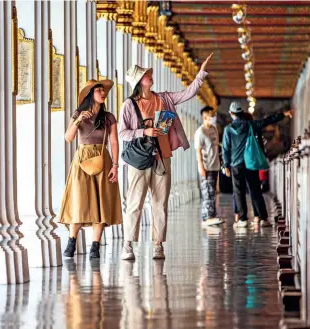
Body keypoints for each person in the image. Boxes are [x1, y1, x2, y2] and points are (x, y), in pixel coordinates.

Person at [118, 53, 213, 260]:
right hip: (139, 159)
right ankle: (127, 245)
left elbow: (188, 94)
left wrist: (200, 74)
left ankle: (158, 244)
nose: (150, 76)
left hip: (162, 156)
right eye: (146, 75)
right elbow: (122, 133)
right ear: (138, 82)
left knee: (160, 202)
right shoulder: (129, 105)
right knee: (135, 202)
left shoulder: (164, 98)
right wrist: (143, 132)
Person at [59, 79, 123, 259]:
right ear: (90, 94)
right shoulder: (78, 113)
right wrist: (79, 120)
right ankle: (72, 240)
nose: (103, 93)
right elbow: (68, 137)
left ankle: (95, 245)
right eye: (99, 91)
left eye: (103, 91)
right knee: (80, 200)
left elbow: (114, 141)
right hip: (82, 159)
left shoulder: (109, 116)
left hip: (103, 159)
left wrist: (116, 166)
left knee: (101, 202)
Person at [222, 102, 293, 227]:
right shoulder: (251, 125)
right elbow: (266, 121)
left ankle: (243, 219)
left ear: (231, 114)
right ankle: (263, 218)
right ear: (242, 113)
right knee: (255, 190)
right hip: (250, 163)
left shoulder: (228, 130)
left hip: (236, 164)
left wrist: (226, 165)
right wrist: (284, 114)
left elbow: (225, 149)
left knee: (239, 191)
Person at [194, 106, 224, 226]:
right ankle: (207, 217)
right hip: (206, 166)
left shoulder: (214, 129)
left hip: (215, 165)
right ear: (205, 117)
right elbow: (198, 151)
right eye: (211, 116)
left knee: (213, 192)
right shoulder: (200, 132)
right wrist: (201, 166)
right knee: (207, 191)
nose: (213, 118)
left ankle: (212, 215)